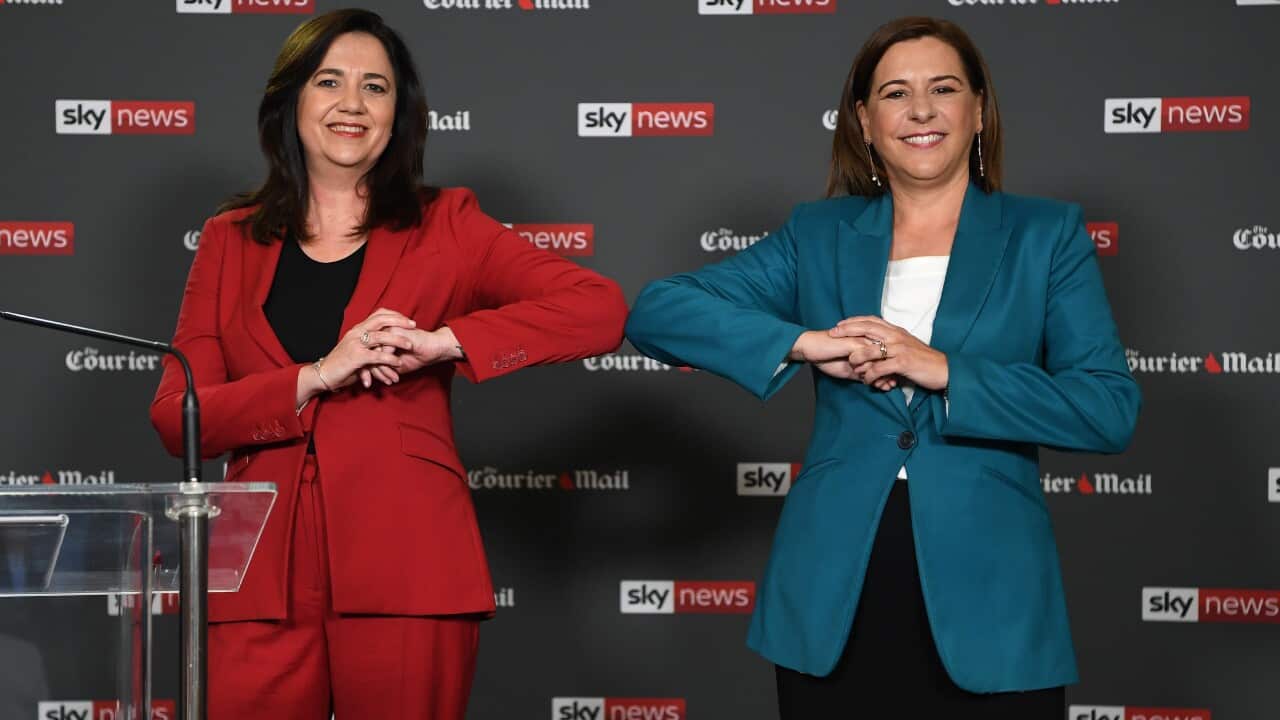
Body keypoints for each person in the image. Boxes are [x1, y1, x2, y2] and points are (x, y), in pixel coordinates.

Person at [625, 16, 1140, 719]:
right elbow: (658, 312)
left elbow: (1106, 409)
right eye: (896, 93)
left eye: (944, 88)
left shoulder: (1046, 235)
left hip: (991, 589)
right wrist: (804, 342)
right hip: (836, 585)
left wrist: (946, 369)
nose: (921, 110)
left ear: (979, 109)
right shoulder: (819, 233)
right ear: (865, 121)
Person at [150, 9, 627, 719]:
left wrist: (444, 341)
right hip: (256, 577)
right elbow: (177, 414)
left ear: (398, 114)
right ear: (292, 101)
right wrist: (316, 375)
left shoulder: (448, 223)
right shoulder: (228, 240)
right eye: (329, 81)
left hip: (408, 559)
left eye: (376, 87)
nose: (352, 104)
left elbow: (598, 308)